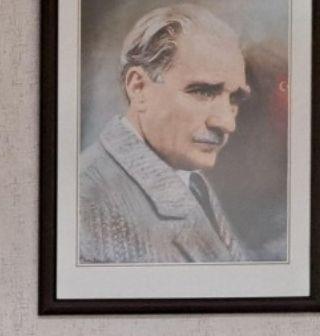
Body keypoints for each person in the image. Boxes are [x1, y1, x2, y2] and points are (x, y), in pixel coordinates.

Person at [78, 4, 253, 263]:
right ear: (138, 88)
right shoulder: (85, 202)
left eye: (234, 99)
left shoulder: (190, 180)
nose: (227, 123)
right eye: (203, 92)